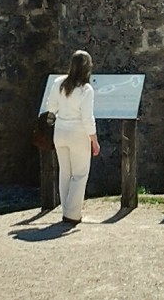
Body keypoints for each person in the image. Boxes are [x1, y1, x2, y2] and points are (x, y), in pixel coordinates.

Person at [46, 49, 100, 224]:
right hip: (78, 133)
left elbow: (51, 107)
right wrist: (94, 139)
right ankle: (73, 213)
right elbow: (87, 118)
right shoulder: (86, 89)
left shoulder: (58, 83)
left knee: (65, 173)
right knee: (80, 174)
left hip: (60, 131)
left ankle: (66, 210)